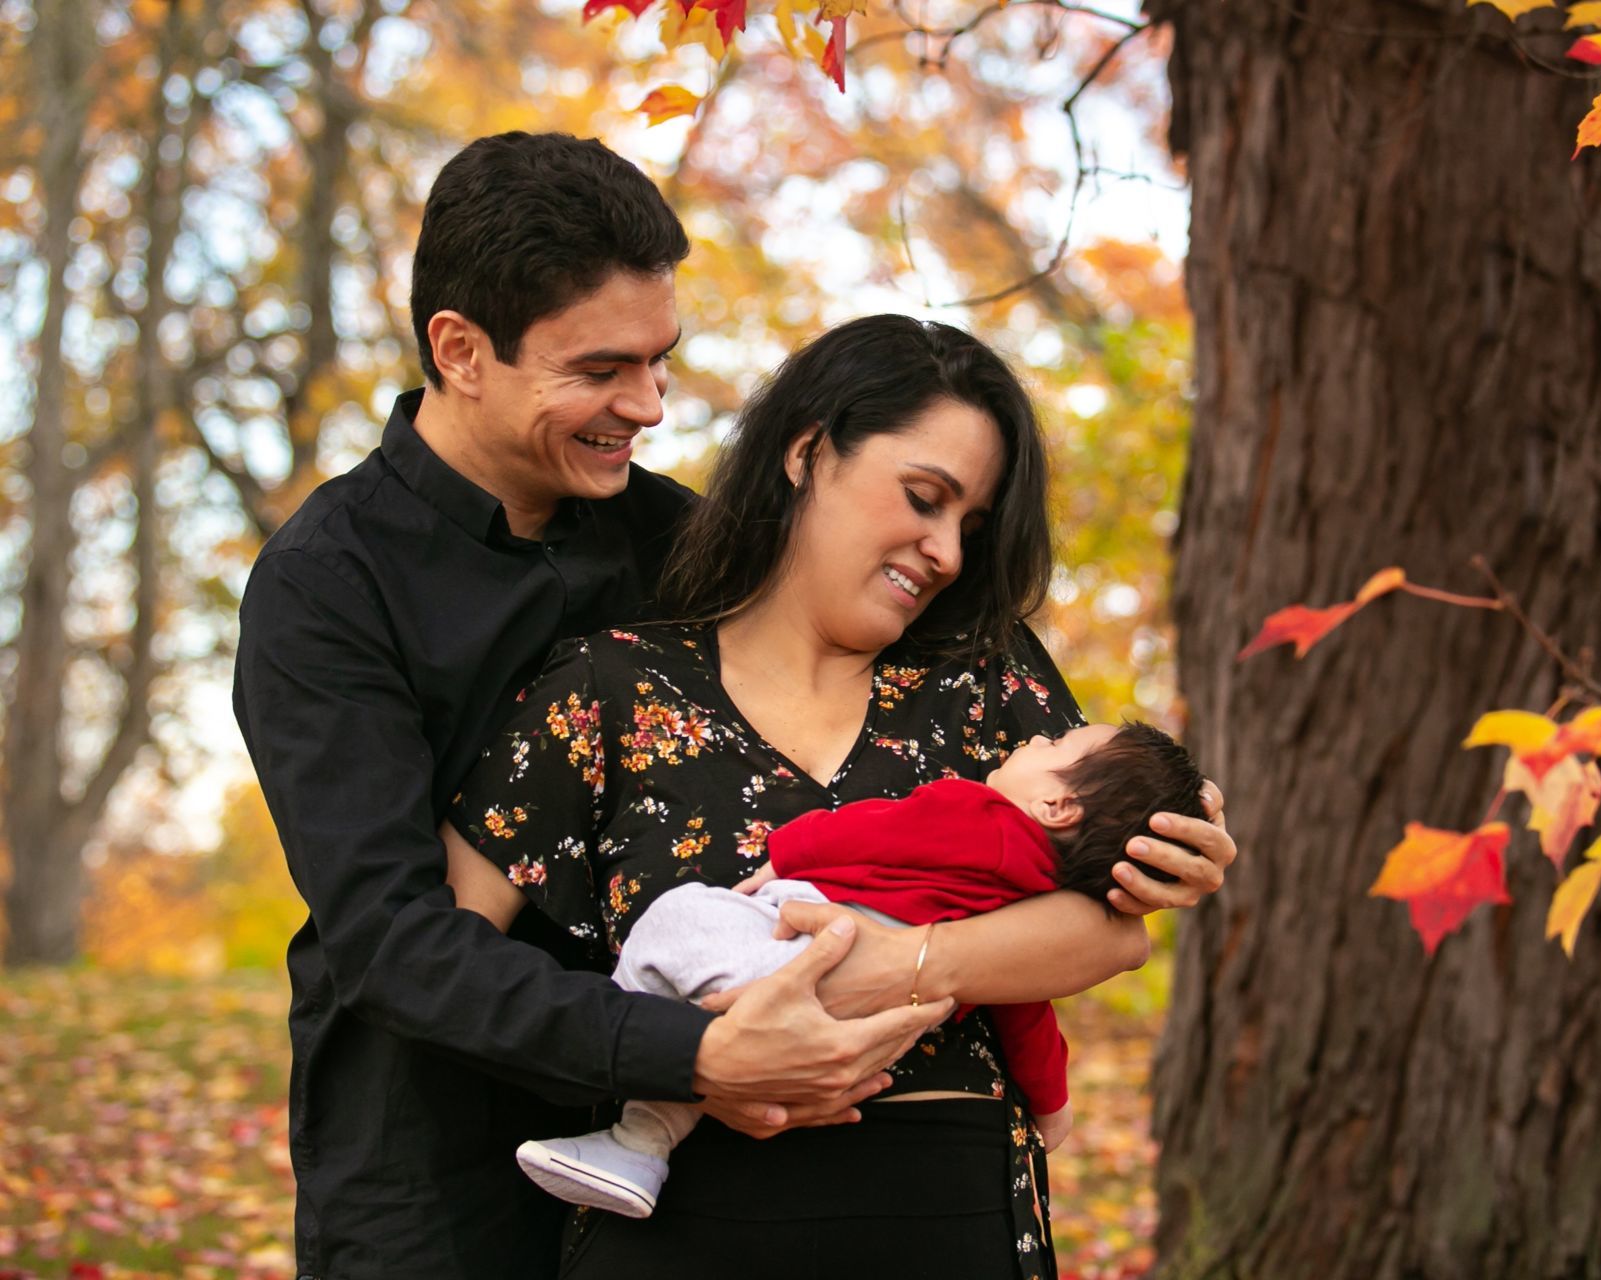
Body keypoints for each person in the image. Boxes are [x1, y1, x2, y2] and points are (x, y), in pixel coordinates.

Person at [232, 133, 1237, 1280]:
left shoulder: (684, 546)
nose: (650, 405)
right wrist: (703, 1050)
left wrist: (1168, 826)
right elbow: (395, 940)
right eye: (605, 368)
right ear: (460, 350)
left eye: (662, 360)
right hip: (434, 1145)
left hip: (700, 1145)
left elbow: (1071, 822)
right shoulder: (329, 586)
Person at [438, 312, 1220, 1279]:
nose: (947, 553)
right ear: (808, 451)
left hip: (952, 1224)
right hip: (684, 1229)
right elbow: (447, 963)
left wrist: (910, 962)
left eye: (970, 527)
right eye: (924, 498)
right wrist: (681, 1054)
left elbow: (1108, 934)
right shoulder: (610, 690)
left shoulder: (986, 685)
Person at [449, 720, 1207, 1219]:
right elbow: (1025, 1010)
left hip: (799, 947)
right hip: (876, 1032)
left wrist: (791, 851)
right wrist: (1052, 1105)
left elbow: (883, 830)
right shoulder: (1022, 908)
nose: (1038, 734)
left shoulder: (976, 814)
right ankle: (640, 1149)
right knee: (715, 1045)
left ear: (1056, 805)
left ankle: (635, 1108)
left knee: (674, 920)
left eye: (1059, 742)